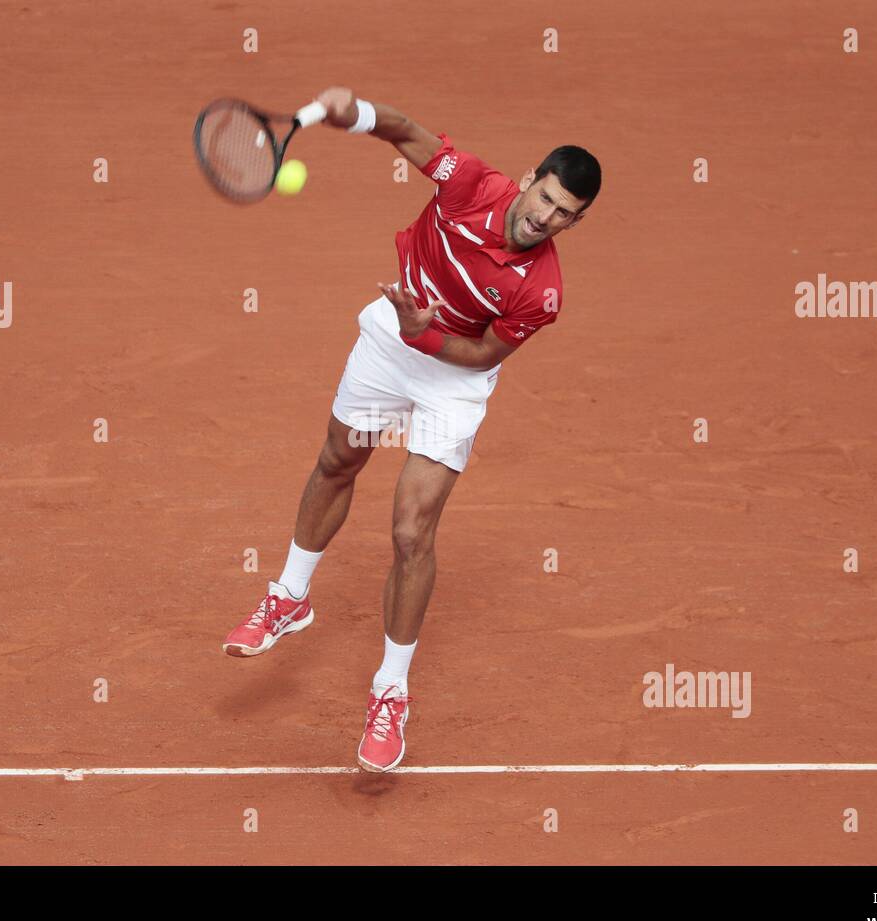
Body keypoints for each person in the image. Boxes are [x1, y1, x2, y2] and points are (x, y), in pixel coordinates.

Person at [222, 86, 602, 772]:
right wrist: (354, 111)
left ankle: (390, 691)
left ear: (575, 224)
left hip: (450, 377)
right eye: (545, 198)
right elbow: (403, 131)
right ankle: (289, 597)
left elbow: (484, 354)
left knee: (410, 531)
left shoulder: (541, 292)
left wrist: (425, 336)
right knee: (338, 460)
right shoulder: (471, 185)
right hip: (391, 345)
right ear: (528, 181)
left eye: (564, 216)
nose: (546, 218)